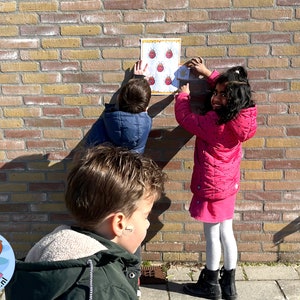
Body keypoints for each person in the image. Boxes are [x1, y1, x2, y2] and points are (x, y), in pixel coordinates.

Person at [5, 145, 167, 300]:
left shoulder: (49, 247)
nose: (147, 224)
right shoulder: (104, 288)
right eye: (145, 216)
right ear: (119, 224)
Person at [174, 57, 257, 300]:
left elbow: (187, 120)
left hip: (211, 186)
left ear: (233, 100)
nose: (216, 98)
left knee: (212, 236)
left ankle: (211, 282)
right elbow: (231, 86)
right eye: (216, 93)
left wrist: (183, 96)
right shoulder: (242, 118)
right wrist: (208, 73)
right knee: (227, 232)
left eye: (222, 96)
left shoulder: (214, 122)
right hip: (228, 185)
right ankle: (229, 285)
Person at [86, 60, 151, 154]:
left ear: (118, 99)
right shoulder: (145, 127)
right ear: (146, 109)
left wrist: (137, 79)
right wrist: (140, 79)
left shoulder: (104, 124)